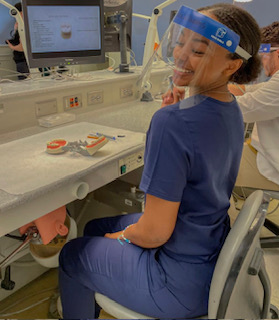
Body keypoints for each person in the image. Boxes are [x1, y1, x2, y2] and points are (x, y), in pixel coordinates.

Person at [59, 3, 262, 319]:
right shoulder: (231, 108)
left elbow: (154, 233)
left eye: (198, 51)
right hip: (208, 253)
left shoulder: (172, 123)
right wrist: (185, 102)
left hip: (175, 285)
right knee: (94, 225)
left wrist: (122, 238)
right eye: (180, 42)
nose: (180, 55)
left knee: (73, 255)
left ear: (231, 66)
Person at [229, 21, 279, 194]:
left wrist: (205, 89)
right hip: (265, 153)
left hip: (273, 166)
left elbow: (241, 109)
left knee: (205, 170)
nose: (262, 60)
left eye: (264, 54)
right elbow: (252, 91)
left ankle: (227, 220)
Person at [6, 2, 29, 80]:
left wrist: (12, 46)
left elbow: (23, 48)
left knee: (26, 85)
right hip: (21, 61)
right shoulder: (19, 24)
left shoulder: (25, 26)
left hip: (23, 61)